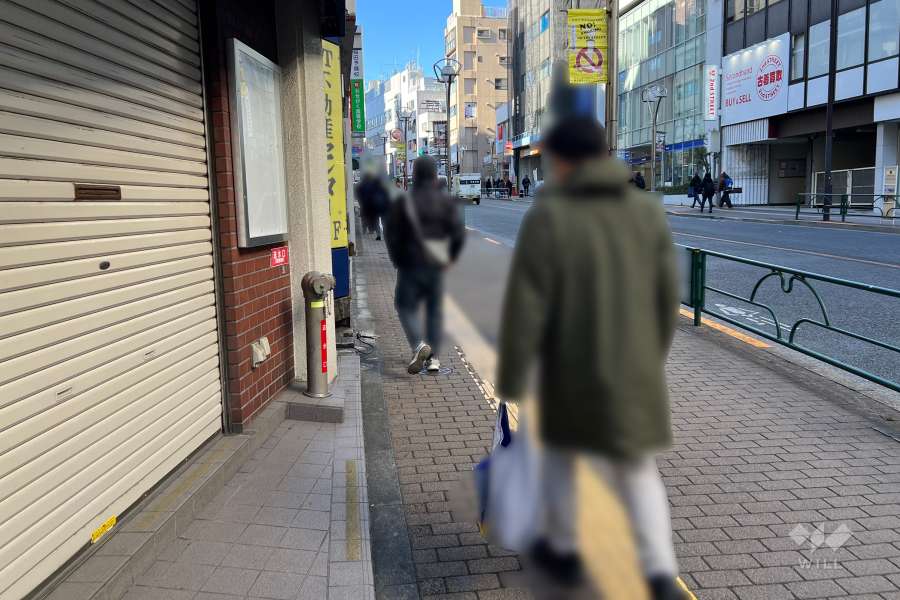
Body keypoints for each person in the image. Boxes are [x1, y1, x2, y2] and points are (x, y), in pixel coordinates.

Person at [496, 114, 685, 600]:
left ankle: (564, 550)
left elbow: (526, 304)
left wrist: (514, 378)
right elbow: (666, 299)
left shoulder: (550, 215)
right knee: (636, 469)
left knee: (560, 461)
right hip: (632, 369)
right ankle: (659, 572)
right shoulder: (646, 211)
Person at [385, 156, 465, 374]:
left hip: (410, 262)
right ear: (434, 174)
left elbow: (391, 234)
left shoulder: (402, 201)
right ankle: (434, 359)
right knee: (434, 310)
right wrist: (451, 257)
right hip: (436, 263)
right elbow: (458, 233)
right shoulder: (447, 201)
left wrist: (396, 258)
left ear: (415, 174)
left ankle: (419, 346)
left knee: (404, 306)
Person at [356, 169, 390, 240]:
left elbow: (368, 198)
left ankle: (378, 235)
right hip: (384, 209)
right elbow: (388, 198)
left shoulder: (371, 188)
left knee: (376, 221)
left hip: (374, 208)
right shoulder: (384, 188)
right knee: (384, 222)